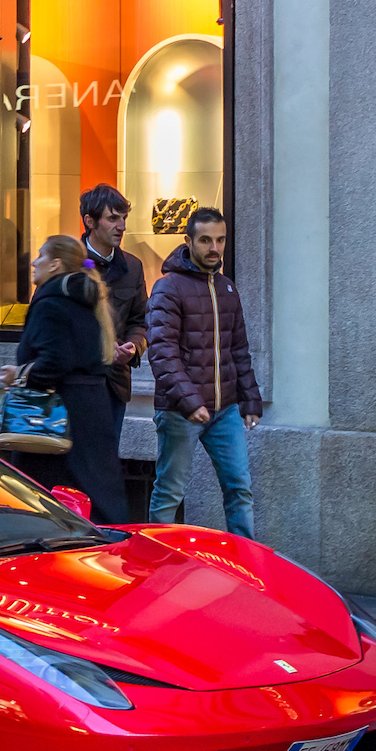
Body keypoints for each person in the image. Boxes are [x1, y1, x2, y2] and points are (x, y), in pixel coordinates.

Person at [0, 235, 131, 524]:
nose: (33, 262)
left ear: (55, 263)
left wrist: (18, 374)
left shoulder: (51, 302)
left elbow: (55, 362)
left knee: (48, 501)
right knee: (95, 494)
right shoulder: (86, 299)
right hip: (92, 411)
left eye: (40, 256)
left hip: (56, 420)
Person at [146, 207, 262, 534]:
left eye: (220, 240)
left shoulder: (227, 288)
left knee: (239, 488)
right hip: (180, 411)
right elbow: (162, 351)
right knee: (170, 491)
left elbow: (238, 348)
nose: (215, 248)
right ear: (189, 241)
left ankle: (244, 566)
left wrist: (250, 400)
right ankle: (155, 561)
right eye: (206, 240)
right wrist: (189, 402)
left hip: (225, 410)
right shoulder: (168, 287)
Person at [80, 183, 150, 441]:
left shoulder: (133, 266)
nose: (121, 226)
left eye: (124, 218)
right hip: (74, 385)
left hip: (115, 386)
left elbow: (141, 320)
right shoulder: (67, 264)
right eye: (112, 219)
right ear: (90, 221)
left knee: (105, 465)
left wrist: (133, 347)